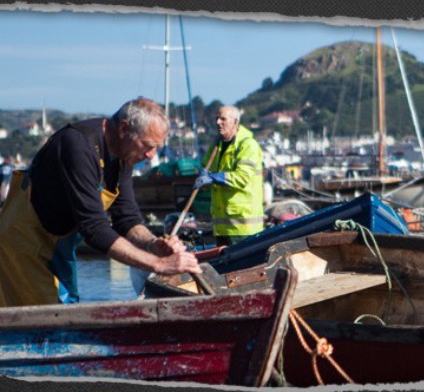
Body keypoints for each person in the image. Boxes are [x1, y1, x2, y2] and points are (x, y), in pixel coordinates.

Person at [0, 98, 201, 307]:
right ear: (124, 129)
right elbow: (94, 228)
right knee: (50, 317)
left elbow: (126, 217)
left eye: (156, 148)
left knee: (67, 309)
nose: (151, 156)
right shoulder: (78, 146)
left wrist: (153, 244)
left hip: (59, 244)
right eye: (148, 146)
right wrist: (158, 265)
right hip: (24, 242)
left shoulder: (124, 155)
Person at [194, 105, 264, 247]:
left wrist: (213, 178)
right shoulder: (216, 146)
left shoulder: (247, 146)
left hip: (242, 227)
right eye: (217, 119)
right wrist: (203, 181)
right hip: (221, 227)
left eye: (223, 119)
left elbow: (242, 178)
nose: (218, 122)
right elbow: (206, 170)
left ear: (235, 122)